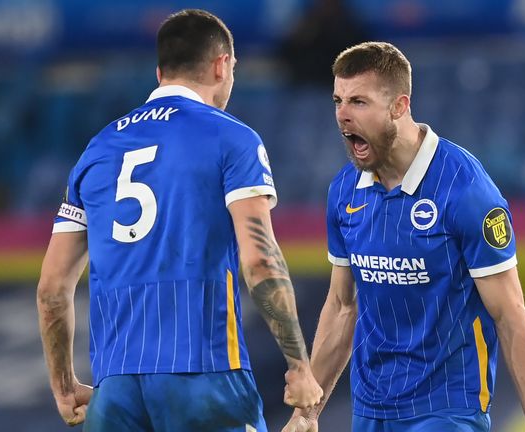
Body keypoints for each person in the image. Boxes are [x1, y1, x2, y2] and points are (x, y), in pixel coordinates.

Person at [36, 9, 322, 432]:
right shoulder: (232, 138)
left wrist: (63, 384)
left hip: (115, 390)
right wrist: (299, 366)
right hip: (205, 374)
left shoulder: (96, 151)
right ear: (222, 64)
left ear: (160, 71)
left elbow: (52, 290)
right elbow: (260, 260)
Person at [283, 42, 525, 432]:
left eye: (358, 102)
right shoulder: (344, 191)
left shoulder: (465, 189)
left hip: (448, 407)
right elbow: (342, 307)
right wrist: (306, 414)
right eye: (338, 100)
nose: (342, 115)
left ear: (399, 106)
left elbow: (510, 316)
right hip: (371, 408)